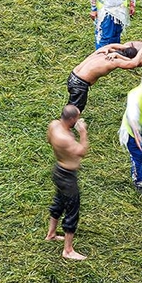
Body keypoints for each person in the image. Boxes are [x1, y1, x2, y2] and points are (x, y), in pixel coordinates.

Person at [46, 105, 89, 260]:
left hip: (58, 169)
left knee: (59, 201)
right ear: (71, 119)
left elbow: (48, 140)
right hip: (67, 175)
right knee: (72, 209)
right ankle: (68, 250)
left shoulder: (53, 125)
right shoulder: (65, 138)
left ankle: (51, 234)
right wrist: (83, 132)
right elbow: (82, 151)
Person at [67, 45, 142, 113]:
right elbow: (133, 63)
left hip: (73, 75)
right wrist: (141, 52)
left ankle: (68, 122)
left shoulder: (103, 50)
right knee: (75, 108)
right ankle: (64, 127)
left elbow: (112, 45)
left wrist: (125, 47)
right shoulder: (113, 61)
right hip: (79, 84)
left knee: (74, 105)